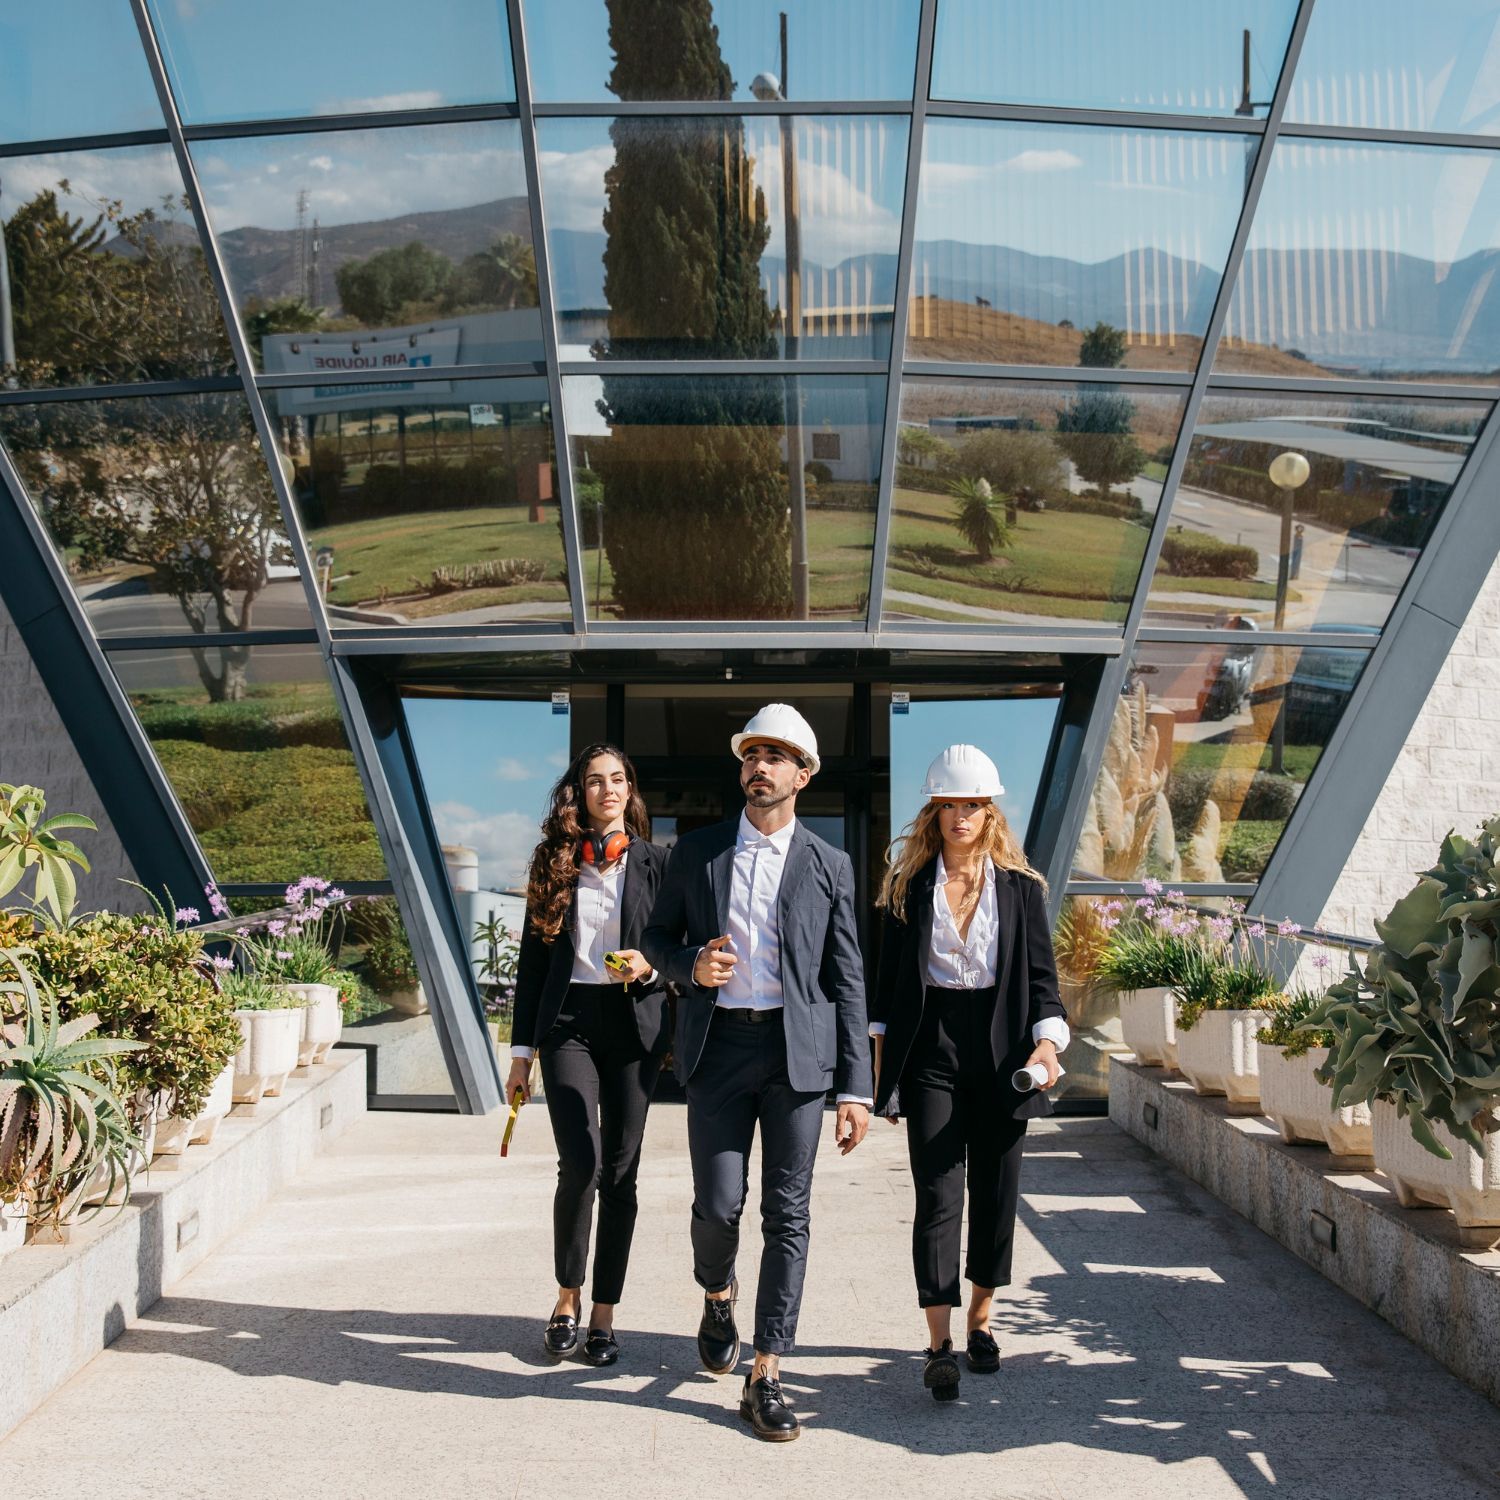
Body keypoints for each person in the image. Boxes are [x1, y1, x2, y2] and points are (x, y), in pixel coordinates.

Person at [642, 703, 872, 1443]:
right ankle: (717, 1293)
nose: (759, 767)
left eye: (776, 757)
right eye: (751, 755)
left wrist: (856, 1085)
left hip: (798, 1057)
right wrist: (690, 966)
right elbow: (653, 938)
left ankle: (768, 1368)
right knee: (717, 1203)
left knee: (789, 1212)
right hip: (718, 1050)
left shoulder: (829, 865)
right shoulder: (698, 852)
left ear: (803, 775)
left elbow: (847, 977)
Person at [871, 744, 1070, 1403]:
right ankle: (937, 1344)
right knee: (937, 1197)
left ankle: (982, 1317)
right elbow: (884, 992)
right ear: (934, 812)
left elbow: (1044, 986)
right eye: (949, 804)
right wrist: (879, 1068)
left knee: (994, 1194)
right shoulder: (906, 888)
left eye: (973, 806)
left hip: (1003, 1055)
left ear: (991, 814)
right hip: (931, 1054)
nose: (960, 816)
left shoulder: (1022, 892)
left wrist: (1046, 1047)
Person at [507, 742, 670, 1368]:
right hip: (568, 1022)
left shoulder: (659, 864)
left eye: (619, 779)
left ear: (630, 791)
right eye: (596, 781)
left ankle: (605, 1312)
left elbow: (679, 948)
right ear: (580, 792)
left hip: (634, 1027)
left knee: (622, 1173)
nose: (608, 789)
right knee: (581, 1162)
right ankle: (566, 1299)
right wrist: (522, 1054)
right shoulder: (554, 865)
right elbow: (530, 968)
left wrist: (651, 965)